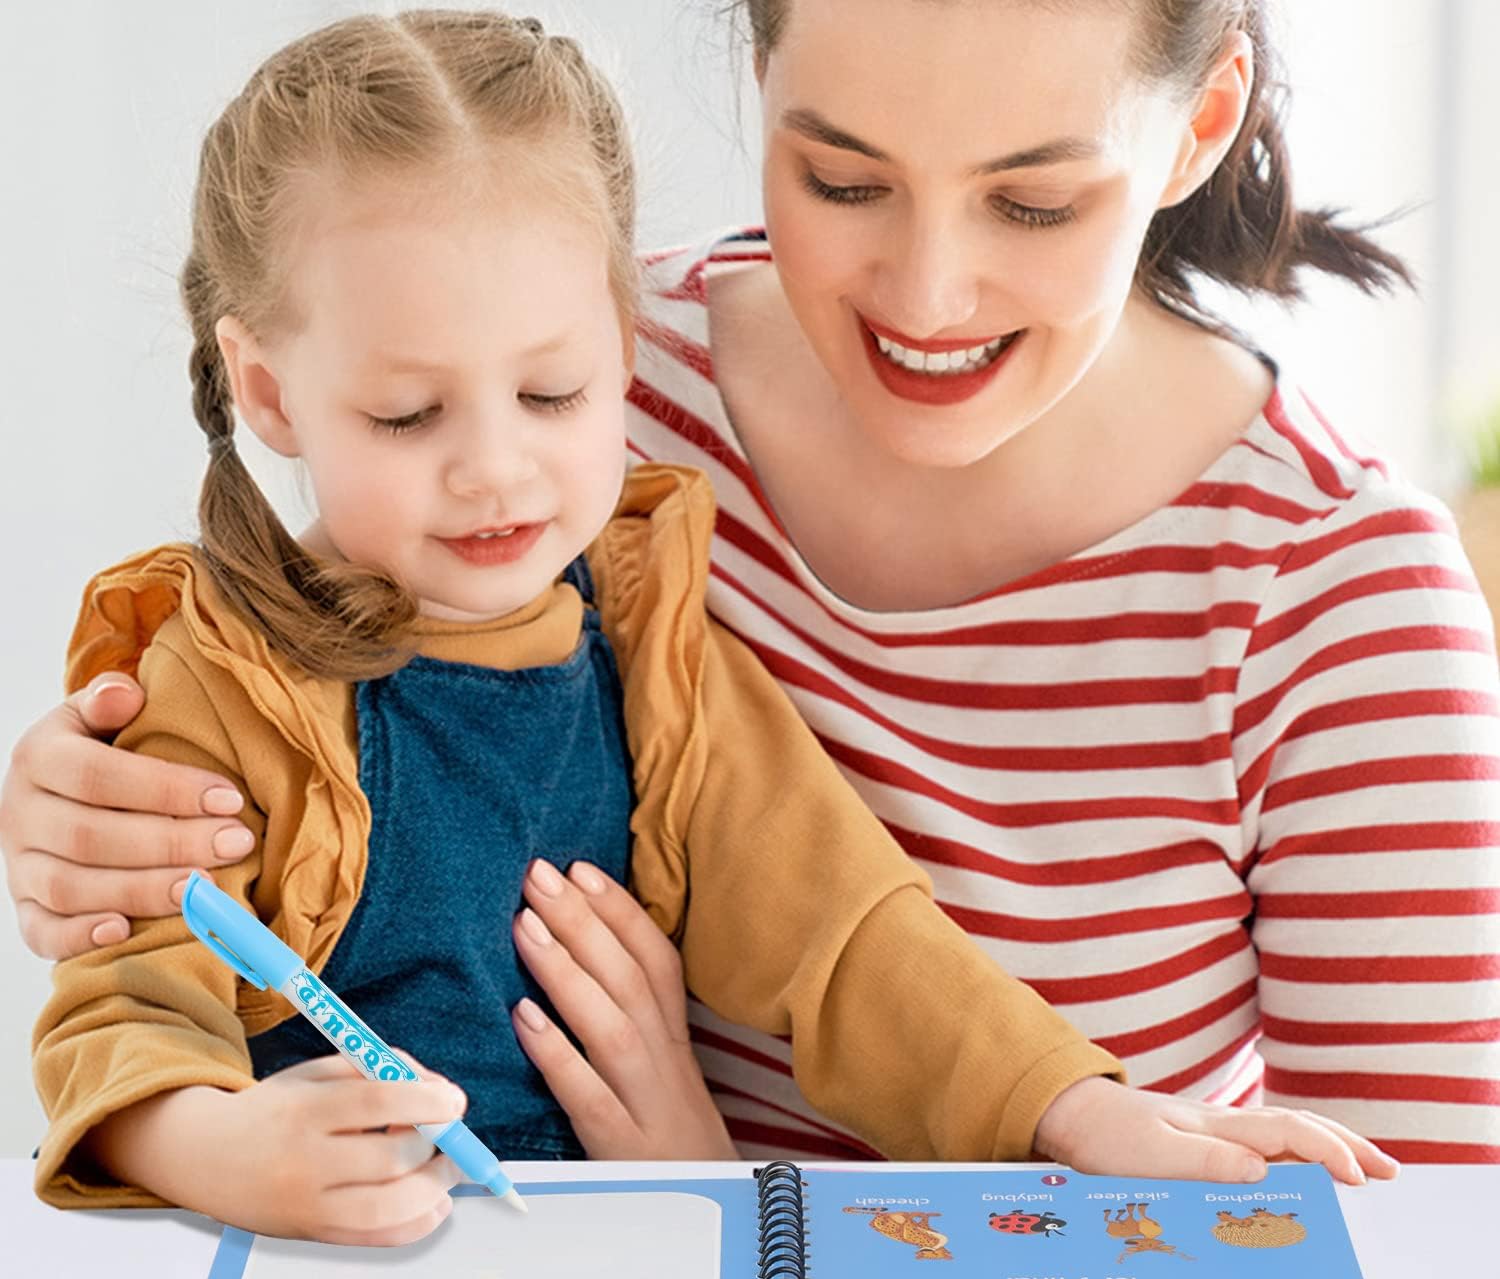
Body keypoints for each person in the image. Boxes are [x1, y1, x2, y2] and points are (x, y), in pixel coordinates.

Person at [8, 0, 1492, 1164]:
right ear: (759, 75)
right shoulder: (582, 381)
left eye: (1033, 202)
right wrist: (93, 810)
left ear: (1199, 126)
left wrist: (708, 1200)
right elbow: (170, 915)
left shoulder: (1337, 597)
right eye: (843, 179)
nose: (927, 298)